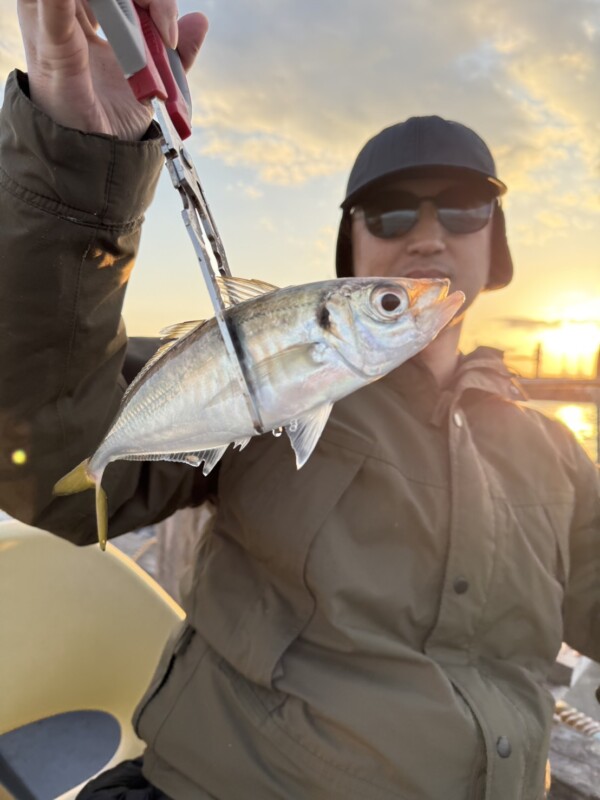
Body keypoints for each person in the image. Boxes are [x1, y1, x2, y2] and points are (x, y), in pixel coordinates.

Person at [1, 1, 599, 799]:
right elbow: (45, 450)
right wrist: (80, 168)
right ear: (349, 252)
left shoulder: (557, 453)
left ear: (497, 248)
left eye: (463, 208)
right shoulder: (264, 370)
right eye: (389, 212)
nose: (427, 235)